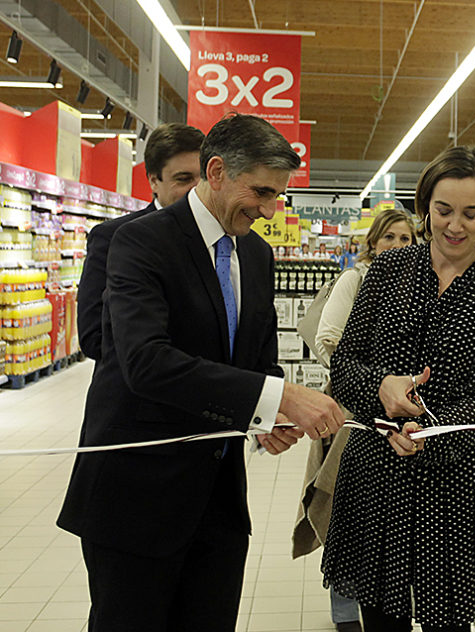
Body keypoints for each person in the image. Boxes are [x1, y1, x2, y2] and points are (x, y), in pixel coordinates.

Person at [57, 114, 345, 632]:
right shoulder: (139, 242)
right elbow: (146, 362)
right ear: (216, 171)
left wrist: (266, 419)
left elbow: (253, 356)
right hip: (137, 499)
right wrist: (277, 396)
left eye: (277, 195)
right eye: (260, 191)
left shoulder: (256, 254)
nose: (268, 209)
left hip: (218, 504)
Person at [321, 145, 475, 632]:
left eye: (471, 213)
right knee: (380, 615)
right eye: (443, 210)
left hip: (450, 475)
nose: (455, 225)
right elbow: (344, 363)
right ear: (425, 207)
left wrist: (424, 432)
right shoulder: (386, 273)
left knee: (447, 618)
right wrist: (381, 390)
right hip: (374, 468)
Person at [292, 207, 417, 632]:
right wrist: (368, 379)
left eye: (406, 239)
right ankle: (345, 607)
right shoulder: (356, 279)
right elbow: (327, 340)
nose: (398, 247)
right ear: (373, 243)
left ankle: (384, 595)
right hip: (352, 411)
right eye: (390, 238)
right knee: (344, 505)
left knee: (381, 517)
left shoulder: (420, 285)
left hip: (402, 417)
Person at [77, 122, 204, 360]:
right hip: (134, 391)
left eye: (203, 177)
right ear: (154, 181)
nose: (196, 189)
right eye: (183, 179)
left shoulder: (221, 241)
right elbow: (93, 336)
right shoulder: (112, 237)